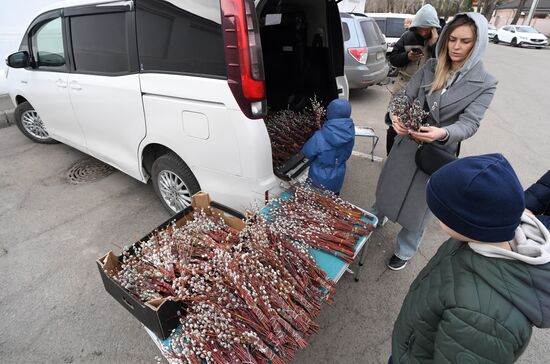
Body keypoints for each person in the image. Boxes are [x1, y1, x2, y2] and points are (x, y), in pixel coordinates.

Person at [390, 153, 550, 364]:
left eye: (440, 211)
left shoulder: (485, 321)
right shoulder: (481, 238)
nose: (435, 215)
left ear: (467, 223)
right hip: (415, 346)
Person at [373, 12, 498, 270]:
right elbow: (404, 96)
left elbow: (470, 123)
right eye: (452, 39)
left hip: (438, 152)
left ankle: (405, 249)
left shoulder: (485, 83)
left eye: (465, 41)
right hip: (406, 142)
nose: (456, 47)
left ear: (479, 43)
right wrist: (395, 114)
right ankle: (375, 217)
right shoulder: (430, 67)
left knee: (421, 206)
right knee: (389, 185)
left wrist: (443, 133)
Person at [385, 4, 441, 155]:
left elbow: (443, 65)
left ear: (434, 27)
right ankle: (390, 155)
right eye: (420, 28)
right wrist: (407, 57)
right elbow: (393, 59)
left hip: (427, 91)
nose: (423, 32)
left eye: (427, 28)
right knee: (395, 124)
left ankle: (411, 160)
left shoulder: (440, 40)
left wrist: (434, 44)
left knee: (420, 127)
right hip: (403, 85)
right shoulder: (406, 37)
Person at [301, 99, 355, 194]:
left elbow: (306, 152)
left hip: (318, 180)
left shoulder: (319, 137)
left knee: (317, 202)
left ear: (329, 113)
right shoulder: (350, 134)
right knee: (333, 200)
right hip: (338, 177)